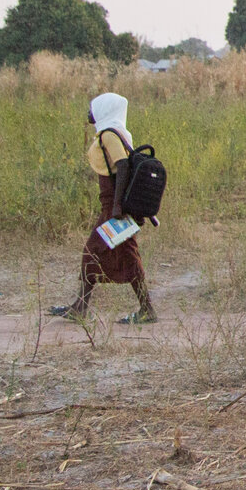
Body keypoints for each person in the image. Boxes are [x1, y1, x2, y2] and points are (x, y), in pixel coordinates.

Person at [49, 93, 158, 325]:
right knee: (106, 253)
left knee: (114, 253)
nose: (89, 112)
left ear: (104, 110)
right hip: (112, 207)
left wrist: (117, 206)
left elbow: (122, 165)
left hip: (115, 209)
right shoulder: (113, 133)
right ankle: (81, 306)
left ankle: (146, 309)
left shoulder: (109, 135)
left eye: (93, 108)